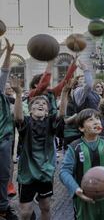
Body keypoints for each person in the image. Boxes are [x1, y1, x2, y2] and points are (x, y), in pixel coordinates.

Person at [12, 72, 68, 220]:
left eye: (44, 103)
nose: (40, 104)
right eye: (36, 103)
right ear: (30, 110)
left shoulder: (50, 122)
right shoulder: (27, 122)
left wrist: (64, 93)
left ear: (48, 110)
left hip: (45, 171)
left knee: (46, 207)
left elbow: (61, 114)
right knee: (25, 212)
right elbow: (17, 117)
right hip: (27, 173)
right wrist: (18, 94)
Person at [59, 109, 104, 220]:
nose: (96, 122)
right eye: (90, 119)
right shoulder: (74, 147)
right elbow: (64, 171)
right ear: (81, 128)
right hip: (84, 199)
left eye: (98, 119)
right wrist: (75, 189)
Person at [0, 38, 18, 220]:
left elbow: (4, 72)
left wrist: (8, 53)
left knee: (5, 175)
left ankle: (3, 207)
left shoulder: (3, 97)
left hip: (4, 140)